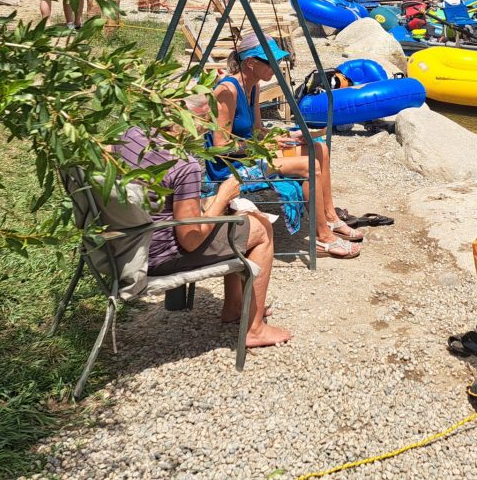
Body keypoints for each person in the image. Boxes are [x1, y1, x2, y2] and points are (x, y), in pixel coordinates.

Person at [114, 104, 291, 348]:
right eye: (207, 119)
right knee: (261, 228)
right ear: (191, 118)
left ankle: (235, 306)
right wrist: (221, 197)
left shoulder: (131, 135)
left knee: (235, 215)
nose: (208, 126)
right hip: (158, 257)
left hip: (125, 247)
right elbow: (190, 240)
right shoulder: (183, 164)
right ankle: (255, 329)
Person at [213, 33, 363, 258]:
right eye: (272, 61)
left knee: (319, 147)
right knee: (309, 165)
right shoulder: (228, 91)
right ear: (251, 63)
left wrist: (286, 134)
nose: (278, 66)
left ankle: (330, 217)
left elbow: (256, 131)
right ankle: (323, 237)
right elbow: (221, 146)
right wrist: (265, 143)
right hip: (232, 167)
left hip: (250, 154)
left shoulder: (252, 86)